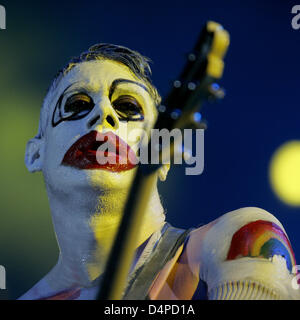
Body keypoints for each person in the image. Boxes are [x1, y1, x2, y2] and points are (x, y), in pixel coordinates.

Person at [20, 44, 300, 300]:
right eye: (78, 104)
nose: (104, 114)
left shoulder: (241, 237)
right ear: (35, 154)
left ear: (165, 156)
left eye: (127, 106)